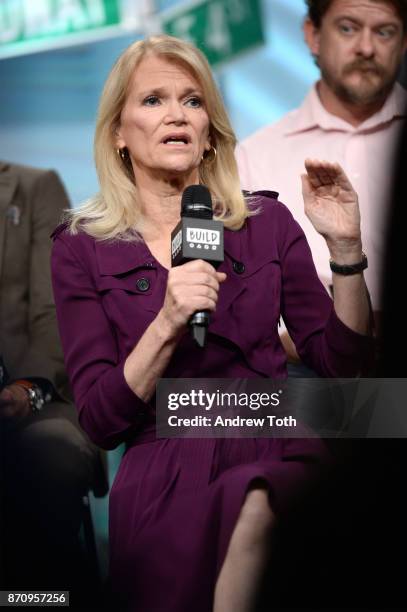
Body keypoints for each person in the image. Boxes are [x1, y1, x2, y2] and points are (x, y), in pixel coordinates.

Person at [50, 35, 373, 612]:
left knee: (257, 501)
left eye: (192, 101)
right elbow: (100, 420)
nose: (176, 114)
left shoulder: (267, 221)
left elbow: (341, 365)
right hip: (165, 464)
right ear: (118, 133)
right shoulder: (81, 248)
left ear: (210, 129)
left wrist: (346, 251)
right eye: (152, 100)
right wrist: (169, 320)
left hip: (273, 440)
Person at [236, 0, 407, 361]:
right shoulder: (253, 156)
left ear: (403, 42)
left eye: (385, 31)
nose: (366, 47)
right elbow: (240, 304)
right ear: (313, 35)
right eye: (347, 28)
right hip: (304, 378)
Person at [0, 161, 106, 599]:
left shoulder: (31, 187)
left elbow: (55, 314)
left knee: (50, 459)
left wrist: (25, 388)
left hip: (33, 400)